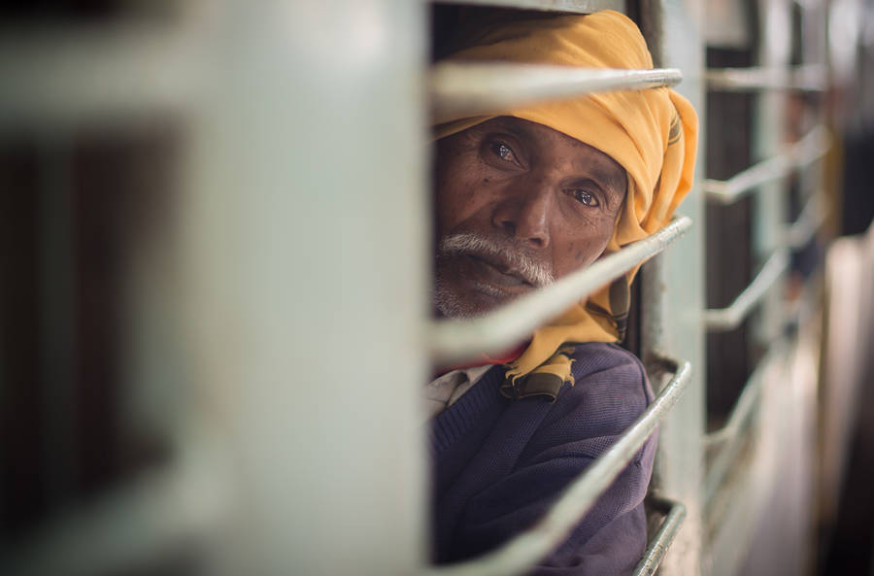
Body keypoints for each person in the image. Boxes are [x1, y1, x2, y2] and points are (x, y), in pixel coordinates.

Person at [427, 10, 698, 575]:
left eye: (585, 194)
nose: (529, 221)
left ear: (611, 243)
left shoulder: (592, 400)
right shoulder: (289, 321)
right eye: (503, 150)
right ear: (432, 145)